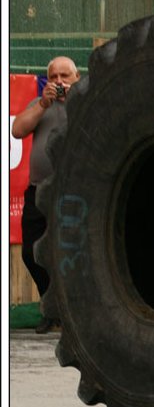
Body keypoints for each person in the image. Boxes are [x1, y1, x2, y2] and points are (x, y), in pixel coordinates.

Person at [11, 56, 81, 334]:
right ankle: (49, 306)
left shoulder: (85, 104)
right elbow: (17, 130)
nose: (60, 82)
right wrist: (42, 104)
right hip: (38, 190)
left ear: (77, 78)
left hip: (72, 194)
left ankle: (70, 312)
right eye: (54, 77)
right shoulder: (39, 106)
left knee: (70, 253)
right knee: (31, 252)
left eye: (65, 76)